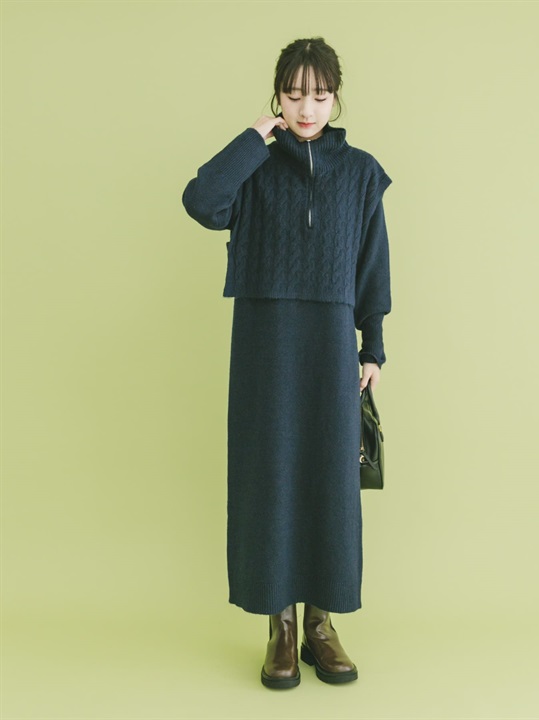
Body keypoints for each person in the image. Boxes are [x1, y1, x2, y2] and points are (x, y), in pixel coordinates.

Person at [181, 36, 392, 690]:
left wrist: (372, 346)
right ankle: (281, 626)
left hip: (329, 346)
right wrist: (253, 139)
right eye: (294, 94)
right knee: (268, 477)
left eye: (319, 95)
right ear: (277, 96)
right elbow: (201, 201)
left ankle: (322, 623)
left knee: (330, 480)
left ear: (335, 98)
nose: (306, 108)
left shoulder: (361, 172)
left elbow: (372, 264)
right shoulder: (255, 167)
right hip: (264, 345)